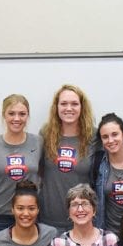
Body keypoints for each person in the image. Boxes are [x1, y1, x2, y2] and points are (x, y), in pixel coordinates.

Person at [0, 94, 43, 241]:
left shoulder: (38, 142)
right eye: (11, 113)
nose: (17, 118)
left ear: (28, 116)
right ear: (4, 115)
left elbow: (42, 173)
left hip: (29, 216)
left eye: (22, 114)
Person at [39, 84, 95, 232]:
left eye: (74, 104)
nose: (68, 108)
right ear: (56, 107)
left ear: (82, 107)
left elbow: (115, 152)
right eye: (63, 103)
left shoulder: (94, 136)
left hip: (83, 220)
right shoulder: (45, 133)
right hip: (48, 221)